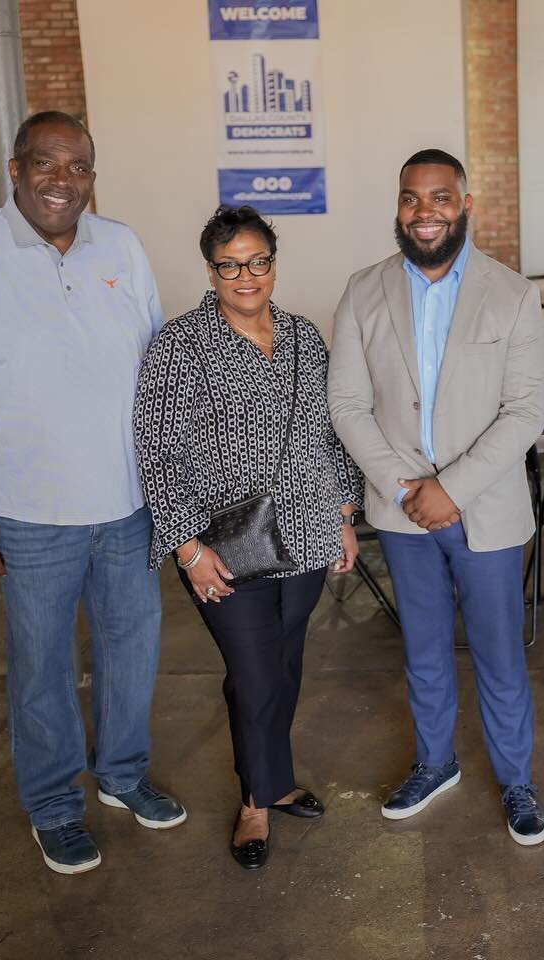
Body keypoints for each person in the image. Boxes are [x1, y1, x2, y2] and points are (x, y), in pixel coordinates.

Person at [0, 111, 184, 875]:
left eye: (79, 165)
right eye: (47, 163)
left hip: (128, 504)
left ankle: (122, 776)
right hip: (28, 514)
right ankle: (55, 806)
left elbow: (157, 370)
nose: (64, 179)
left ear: (93, 174)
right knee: (42, 668)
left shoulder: (120, 245)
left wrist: (171, 484)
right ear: (16, 167)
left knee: (133, 651)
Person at [327, 149, 544, 845]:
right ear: (398, 207)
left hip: (484, 507)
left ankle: (517, 779)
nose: (425, 212)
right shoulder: (362, 292)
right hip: (401, 511)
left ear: (465, 204)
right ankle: (434, 763)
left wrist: (450, 488)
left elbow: (525, 410)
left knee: (498, 653)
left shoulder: (512, 294)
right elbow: (347, 404)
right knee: (422, 649)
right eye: (411, 199)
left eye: (439, 197)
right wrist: (406, 488)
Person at [134, 205, 363, 870]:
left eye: (256, 260)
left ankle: (278, 777)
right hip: (220, 543)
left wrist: (344, 514)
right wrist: (187, 548)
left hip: (307, 528)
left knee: (284, 662)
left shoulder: (301, 336)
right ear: (210, 270)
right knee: (256, 671)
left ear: (272, 264)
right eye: (229, 264)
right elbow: (157, 451)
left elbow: (328, 431)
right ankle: (255, 800)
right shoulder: (179, 345)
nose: (245, 274)